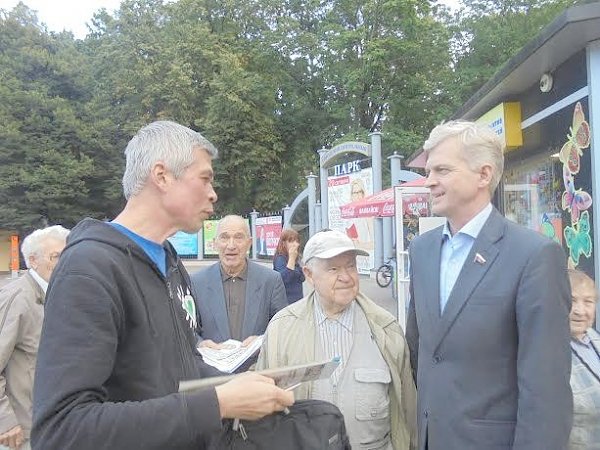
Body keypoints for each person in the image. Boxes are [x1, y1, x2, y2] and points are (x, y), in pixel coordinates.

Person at [31, 121, 293, 450]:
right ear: (162, 176)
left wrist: (238, 384)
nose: (214, 193)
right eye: (205, 178)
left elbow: (174, 370)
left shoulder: (168, 261)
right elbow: (61, 430)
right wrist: (217, 404)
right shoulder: (88, 268)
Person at [406, 120, 572, 450]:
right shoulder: (421, 251)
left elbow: (546, 390)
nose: (429, 182)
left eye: (442, 170)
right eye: (428, 172)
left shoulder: (534, 256)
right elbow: (419, 349)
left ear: (483, 175)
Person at [257, 230, 417, 450]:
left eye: (350, 266)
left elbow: (407, 410)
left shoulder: (386, 329)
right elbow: (263, 409)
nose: (346, 276)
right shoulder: (281, 328)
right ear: (309, 275)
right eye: (333, 268)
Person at [0, 226, 68, 450]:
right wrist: (6, 421)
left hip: (54, 424)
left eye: (67, 254)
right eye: (56, 255)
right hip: (22, 432)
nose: (63, 261)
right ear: (32, 260)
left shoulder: (61, 292)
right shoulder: (18, 299)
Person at [191, 215, 287, 370]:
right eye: (224, 237)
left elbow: (284, 329)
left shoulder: (271, 280)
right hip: (213, 379)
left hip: (256, 375)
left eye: (238, 237)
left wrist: (262, 341)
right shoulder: (196, 282)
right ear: (215, 243)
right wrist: (200, 343)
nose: (231, 245)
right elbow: (185, 330)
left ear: (249, 243)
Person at [567, 269, 600, 449]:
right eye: (572, 301)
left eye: (588, 302)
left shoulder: (595, 340)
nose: (580, 311)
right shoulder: (547, 349)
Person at [272, 229, 305, 304]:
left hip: (297, 302)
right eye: (291, 241)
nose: (295, 244)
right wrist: (292, 259)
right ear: (283, 243)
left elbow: (302, 278)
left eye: (297, 241)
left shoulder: (295, 258)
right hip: (286, 303)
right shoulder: (280, 259)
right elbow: (285, 279)